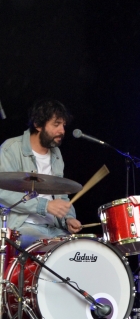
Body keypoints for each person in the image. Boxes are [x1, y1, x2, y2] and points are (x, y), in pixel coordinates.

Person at [0, 99, 82, 245]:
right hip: (22, 227)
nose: (62, 131)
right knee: (53, 250)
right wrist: (45, 206)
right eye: (56, 124)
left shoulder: (56, 154)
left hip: (53, 228)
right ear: (38, 125)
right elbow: (3, 192)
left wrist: (68, 218)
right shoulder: (10, 148)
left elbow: (62, 196)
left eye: (63, 125)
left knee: (80, 249)